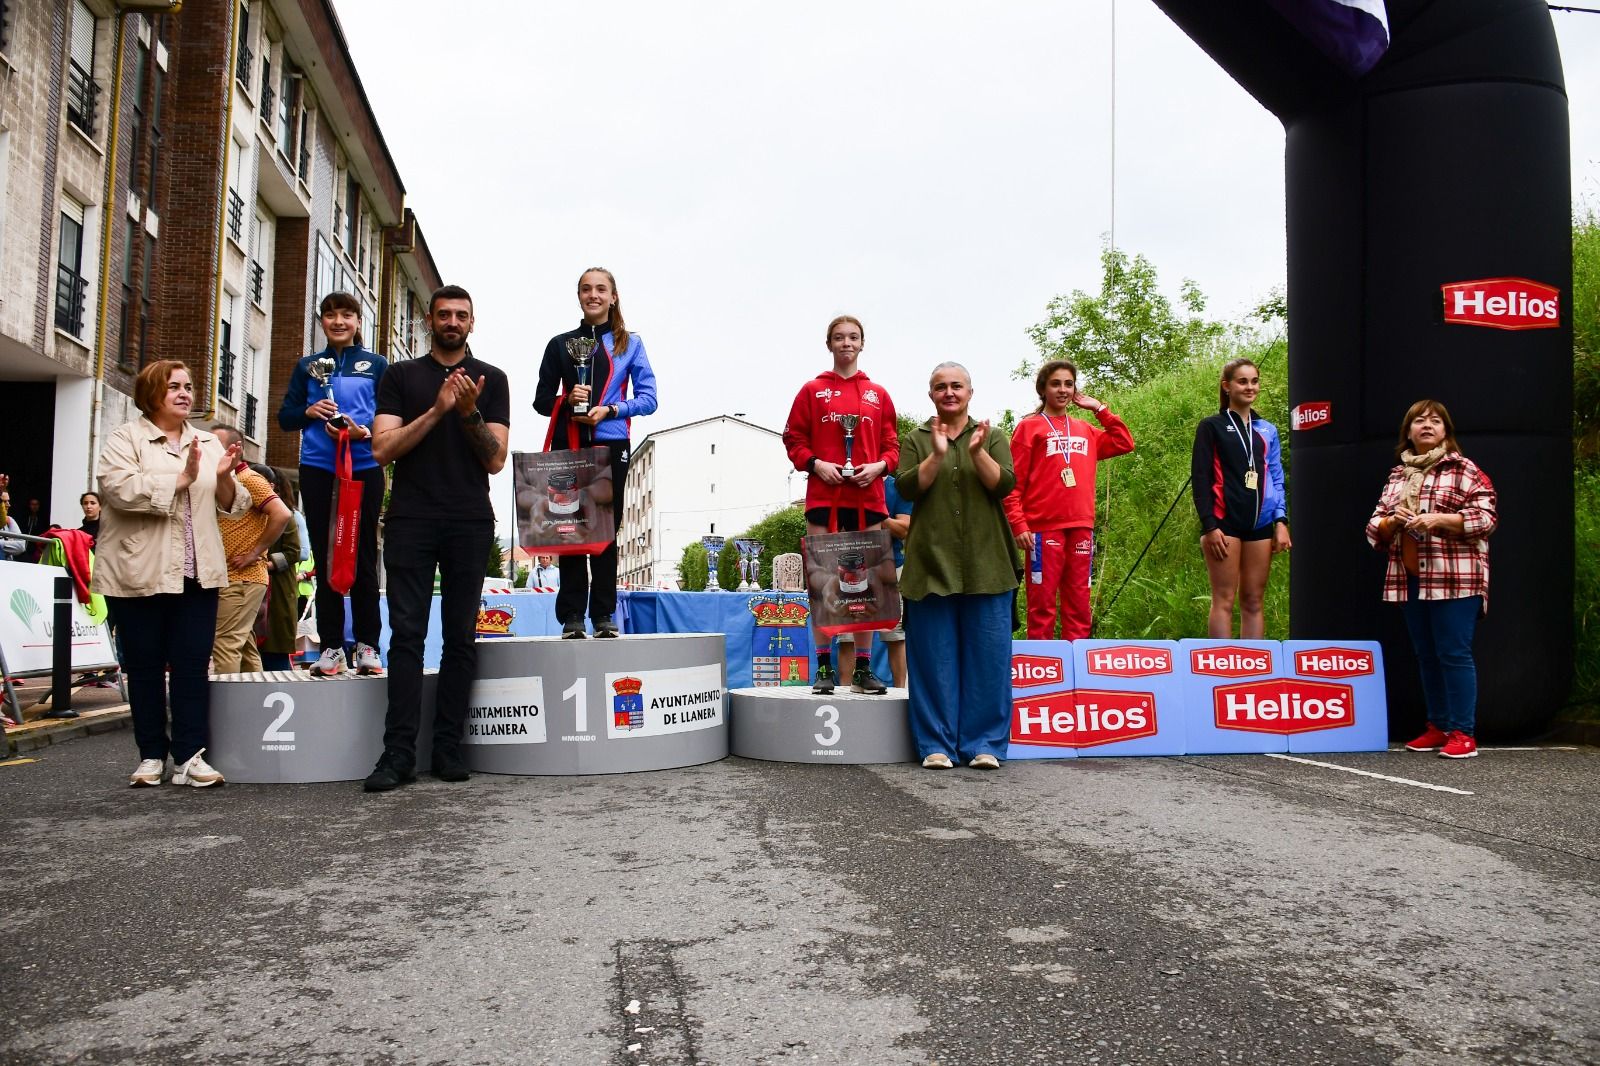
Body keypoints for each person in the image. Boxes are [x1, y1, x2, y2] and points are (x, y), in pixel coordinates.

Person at [367, 285, 509, 791]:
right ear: (430, 319)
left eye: (461, 315)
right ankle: (398, 753)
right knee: (406, 637)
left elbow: (495, 459)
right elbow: (382, 450)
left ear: (473, 322)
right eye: (444, 314)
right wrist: (436, 409)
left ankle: (448, 746)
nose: (452, 321)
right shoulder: (401, 375)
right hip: (410, 517)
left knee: (460, 638)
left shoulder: (493, 379)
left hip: (469, 520)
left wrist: (468, 411)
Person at [93, 359, 246, 787]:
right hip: (139, 571)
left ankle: (190, 756)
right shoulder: (127, 438)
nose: (184, 393)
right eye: (173, 386)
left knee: (192, 666)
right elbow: (118, 490)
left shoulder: (209, 442)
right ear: (151, 394)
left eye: (189, 386)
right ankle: (150, 756)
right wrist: (182, 478)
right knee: (143, 667)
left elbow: (233, 505)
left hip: (197, 574)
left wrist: (224, 478)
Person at [896, 362, 1020, 770]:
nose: (949, 392)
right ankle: (936, 745)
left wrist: (976, 452)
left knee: (989, 658)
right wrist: (937, 454)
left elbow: (1003, 484)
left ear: (970, 391)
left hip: (987, 562)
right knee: (934, 659)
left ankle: (984, 744)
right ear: (930, 394)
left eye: (956, 386)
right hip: (931, 562)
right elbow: (909, 486)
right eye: (940, 387)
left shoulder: (994, 435)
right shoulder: (915, 438)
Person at [1365, 399, 1497, 760]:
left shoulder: (1463, 469)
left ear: (1446, 431)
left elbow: (1487, 517)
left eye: (1435, 420)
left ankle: (1463, 733)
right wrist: (1393, 521)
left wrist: (1441, 519)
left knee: (1453, 653)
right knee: (1427, 655)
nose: (1427, 425)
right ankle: (1438, 725)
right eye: (1419, 420)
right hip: (1408, 578)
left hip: (1455, 578)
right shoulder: (1398, 476)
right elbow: (1374, 528)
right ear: (1408, 432)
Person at [534, 267, 657, 638]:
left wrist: (612, 410)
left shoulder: (630, 344)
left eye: (601, 289)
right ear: (579, 296)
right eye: (586, 289)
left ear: (613, 296)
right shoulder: (560, 344)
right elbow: (541, 401)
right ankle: (572, 616)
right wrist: (566, 399)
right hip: (568, 440)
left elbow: (650, 399)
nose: (594, 295)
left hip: (611, 441)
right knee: (569, 528)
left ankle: (603, 615)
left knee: (605, 531)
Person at [782, 315, 898, 695]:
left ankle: (863, 671)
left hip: (867, 499)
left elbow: (892, 446)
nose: (846, 343)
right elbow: (793, 439)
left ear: (863, 343)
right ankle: (824, 669)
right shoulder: (812, 390)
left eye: (853, 337)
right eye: (838, 337)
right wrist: (817, 464)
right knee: (824, 583)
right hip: (824, 498)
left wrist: (879, 466)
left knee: (865, 588)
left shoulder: (878, 394)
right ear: (828, 344)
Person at [276, 292, 388, 677]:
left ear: (359, 321)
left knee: (361, 555)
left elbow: (390, 418)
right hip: (319, 467)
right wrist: (308, 411)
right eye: (330, 315)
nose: (338, 321)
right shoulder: (309, 366)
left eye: (346, 315)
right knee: (326, 555)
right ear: (321, 322)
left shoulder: (376, 365)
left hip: (364, 466)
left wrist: (365, 431)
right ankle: (332, 648)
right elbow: (285, 418)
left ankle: (369, 645)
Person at [1005, 359, 1134, 639]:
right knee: (1042, 605)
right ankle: (1045, 673)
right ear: (1043, 389)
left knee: (1079, 602)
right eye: (1055, 384)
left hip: (1081, 526)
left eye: (1068, 384)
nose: (1062, 390)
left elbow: (1124, 442)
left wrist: (1099, 409)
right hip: (1042, 528)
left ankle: (1077, 674)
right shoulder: (1030, 428)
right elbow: (1014, 482)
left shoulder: (1085, 429)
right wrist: (1018, 523)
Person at [1191, 357, 1291, 638]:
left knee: (1253, 601)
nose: (1250, 387)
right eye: (1242, 381)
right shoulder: (1211, 426)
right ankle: (1220, 669)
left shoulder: (1267, 430)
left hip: (1260, 523)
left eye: (1254, 381)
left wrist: (1280, 520)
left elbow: (1275, 477)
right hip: (1224, 524)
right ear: (1227, 386)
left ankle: (1253, 671)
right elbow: (1201, 478)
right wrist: (1210, 526)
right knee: (1224, 599)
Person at [208, 427, 291, 674]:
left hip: (241, 578)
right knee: (242, 644)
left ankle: (227, 709)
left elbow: (282, 513)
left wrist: (255, 553)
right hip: (239, 578)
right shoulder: (232, 480)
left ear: (236, 450)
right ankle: (253, 703)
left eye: (214, 445)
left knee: (226, 643)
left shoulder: (249, 479)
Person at [254, 466, 303, 672]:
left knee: (275, 651)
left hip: (278, 592)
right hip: (253, 588)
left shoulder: (287, 516)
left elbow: (295, 552)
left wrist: (265, 564)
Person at [879, 473, 912, 688]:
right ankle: (846, 694)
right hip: (852, 569)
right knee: (848, 638)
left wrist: (877, 518)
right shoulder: (847, 481)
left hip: (893, 565)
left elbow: (904, 529)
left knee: (896, 636)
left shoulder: (897, 486)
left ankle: (900, 694)